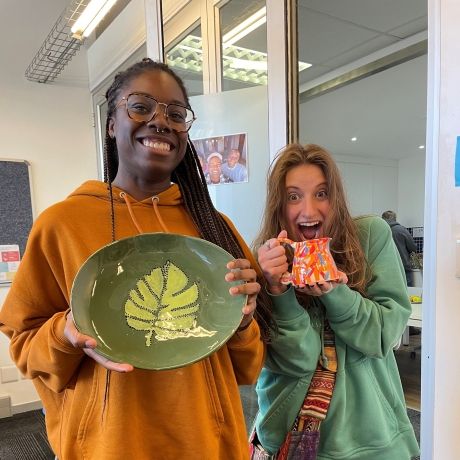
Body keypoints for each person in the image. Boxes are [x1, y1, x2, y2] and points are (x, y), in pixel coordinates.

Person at [0, 58, 273, 460]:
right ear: (112, 124)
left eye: (176, 114)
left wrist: (242, 322)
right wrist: (67, 332)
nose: (161, 122)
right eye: (141, 107)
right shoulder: (62, 225)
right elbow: (25, 347)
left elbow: (246, 368)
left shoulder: (216, 230)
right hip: (109, 445)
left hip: (206, 442)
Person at [251, 144, 419, 459]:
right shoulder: (268, 259)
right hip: (292, 436)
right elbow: (296, 361)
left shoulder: (369, 237)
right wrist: (278, 291)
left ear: (336, 198)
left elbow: (383, 336)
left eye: (322, 193)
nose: (309, 211)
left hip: (373, 440)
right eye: (293, 196)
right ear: (279, 205)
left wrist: (335, 293)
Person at [381, 210, 418, 286]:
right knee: (408, 292)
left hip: (386, 269)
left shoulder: (381, 231)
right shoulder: (401, 230)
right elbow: (413, 247)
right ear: (395, 219)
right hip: (403, 267)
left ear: (382, 219)